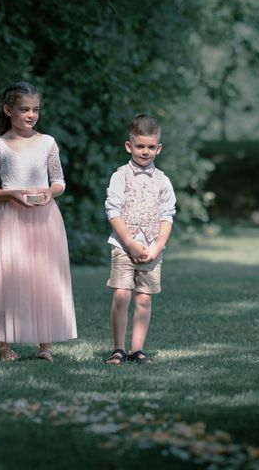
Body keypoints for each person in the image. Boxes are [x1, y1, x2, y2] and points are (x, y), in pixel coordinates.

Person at [0, 81, 77, 362]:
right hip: (9, 219)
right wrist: (10, 194)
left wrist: (49, 193)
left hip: (44, 218)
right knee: (6, 278)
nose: (31, 115)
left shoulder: (47, 143)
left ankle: (45, 346)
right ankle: (4, 347)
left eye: (36, 110)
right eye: (24, 109)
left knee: (44, 278)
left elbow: (59, 181)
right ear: (8, 110)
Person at [103, 114, 176, 365]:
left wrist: (157, 247)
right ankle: (118, 349)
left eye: (150, 147)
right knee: (121, 295)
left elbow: (167, 216)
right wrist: (130, 243)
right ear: (129, 146)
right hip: (124, 246)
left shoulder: (163, 181)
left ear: (158, 148)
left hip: (151, 249)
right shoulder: (120, 176)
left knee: (144, 298)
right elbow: (112, 211)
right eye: (140, 146)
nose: (145, 151)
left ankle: (137, 350)